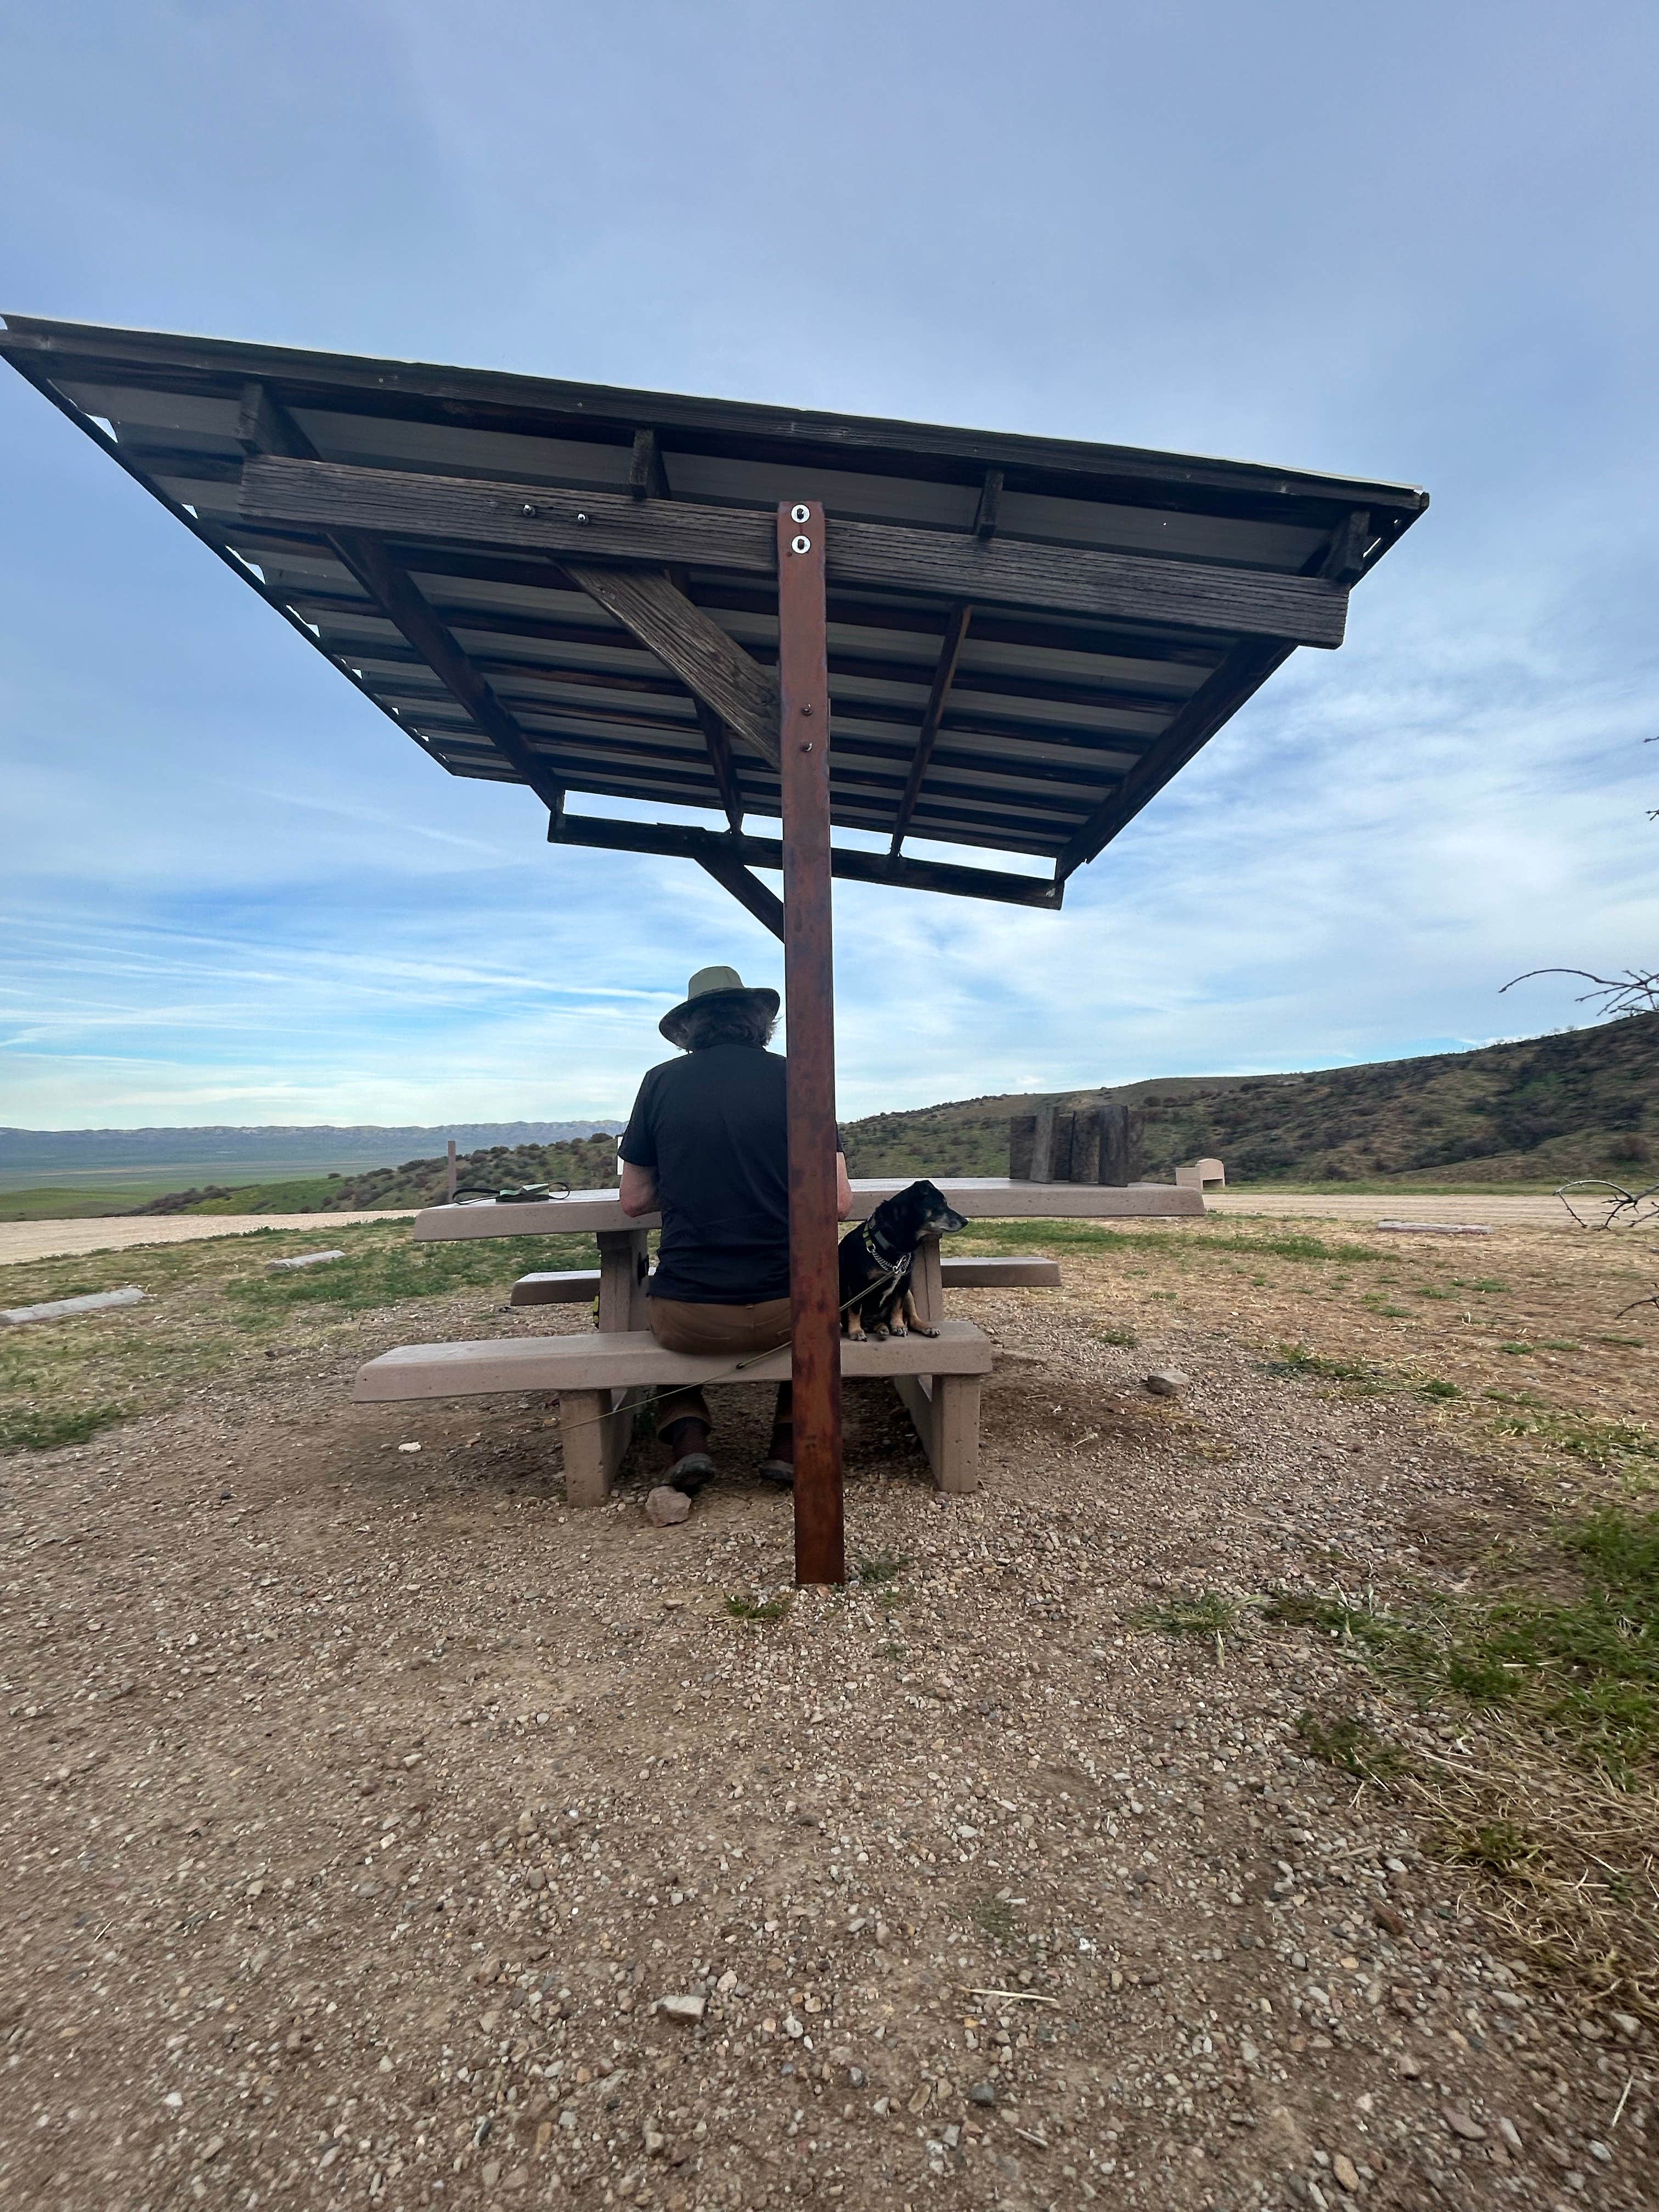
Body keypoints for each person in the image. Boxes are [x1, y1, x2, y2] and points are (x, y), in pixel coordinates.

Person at [618, 964, 853, 1504]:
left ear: (689, 1029)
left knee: (644, 1300)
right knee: (820, 1315)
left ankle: (687, 1435)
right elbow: (838, 1202)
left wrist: (686, 1183)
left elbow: (633, 1201)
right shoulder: (802, 1077)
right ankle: (788, 1444)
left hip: (689, 1319)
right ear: (759, 1023)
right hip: (789, 1313)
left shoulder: (659, 1082)